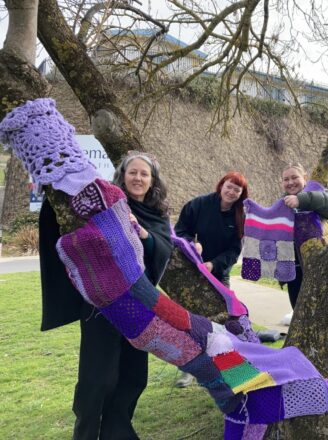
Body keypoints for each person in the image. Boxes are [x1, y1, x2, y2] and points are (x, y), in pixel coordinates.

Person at [40, 151, 172, 440]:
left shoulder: (156, 214)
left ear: (152, 181)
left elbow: (163, 248)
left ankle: (118, 432)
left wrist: (146, 236)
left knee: (134, 376)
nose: (138, 178)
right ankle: (86, 433)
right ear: (122, 176)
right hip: (101, 307)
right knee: (97, 378)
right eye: (132, 172)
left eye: (144, 174)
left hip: (139, 306)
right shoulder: (107, 206)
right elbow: (69, 220)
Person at [173, 171, 248, 387]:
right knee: (188, 322)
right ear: (221, 185)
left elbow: (235, 250)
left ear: (241, 194)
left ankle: (230, 369)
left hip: (219, 275)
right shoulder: (198, 205)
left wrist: (214, 264)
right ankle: (189, 369)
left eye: (237, 189)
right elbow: (180, 231)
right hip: (191, 271)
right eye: (229, 186)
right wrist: (190, 245)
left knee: (224, 322)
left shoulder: (240, 215)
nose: (231, 191)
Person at [281, 163, 328, 309]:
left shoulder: (320, 193)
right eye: (286, 179)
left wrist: (302, 200)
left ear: (305, 178)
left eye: (295, 177)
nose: (290, 182)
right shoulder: (282, 203)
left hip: (320, 267)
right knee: (298, 313)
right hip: (295, 272)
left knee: (322, 312)